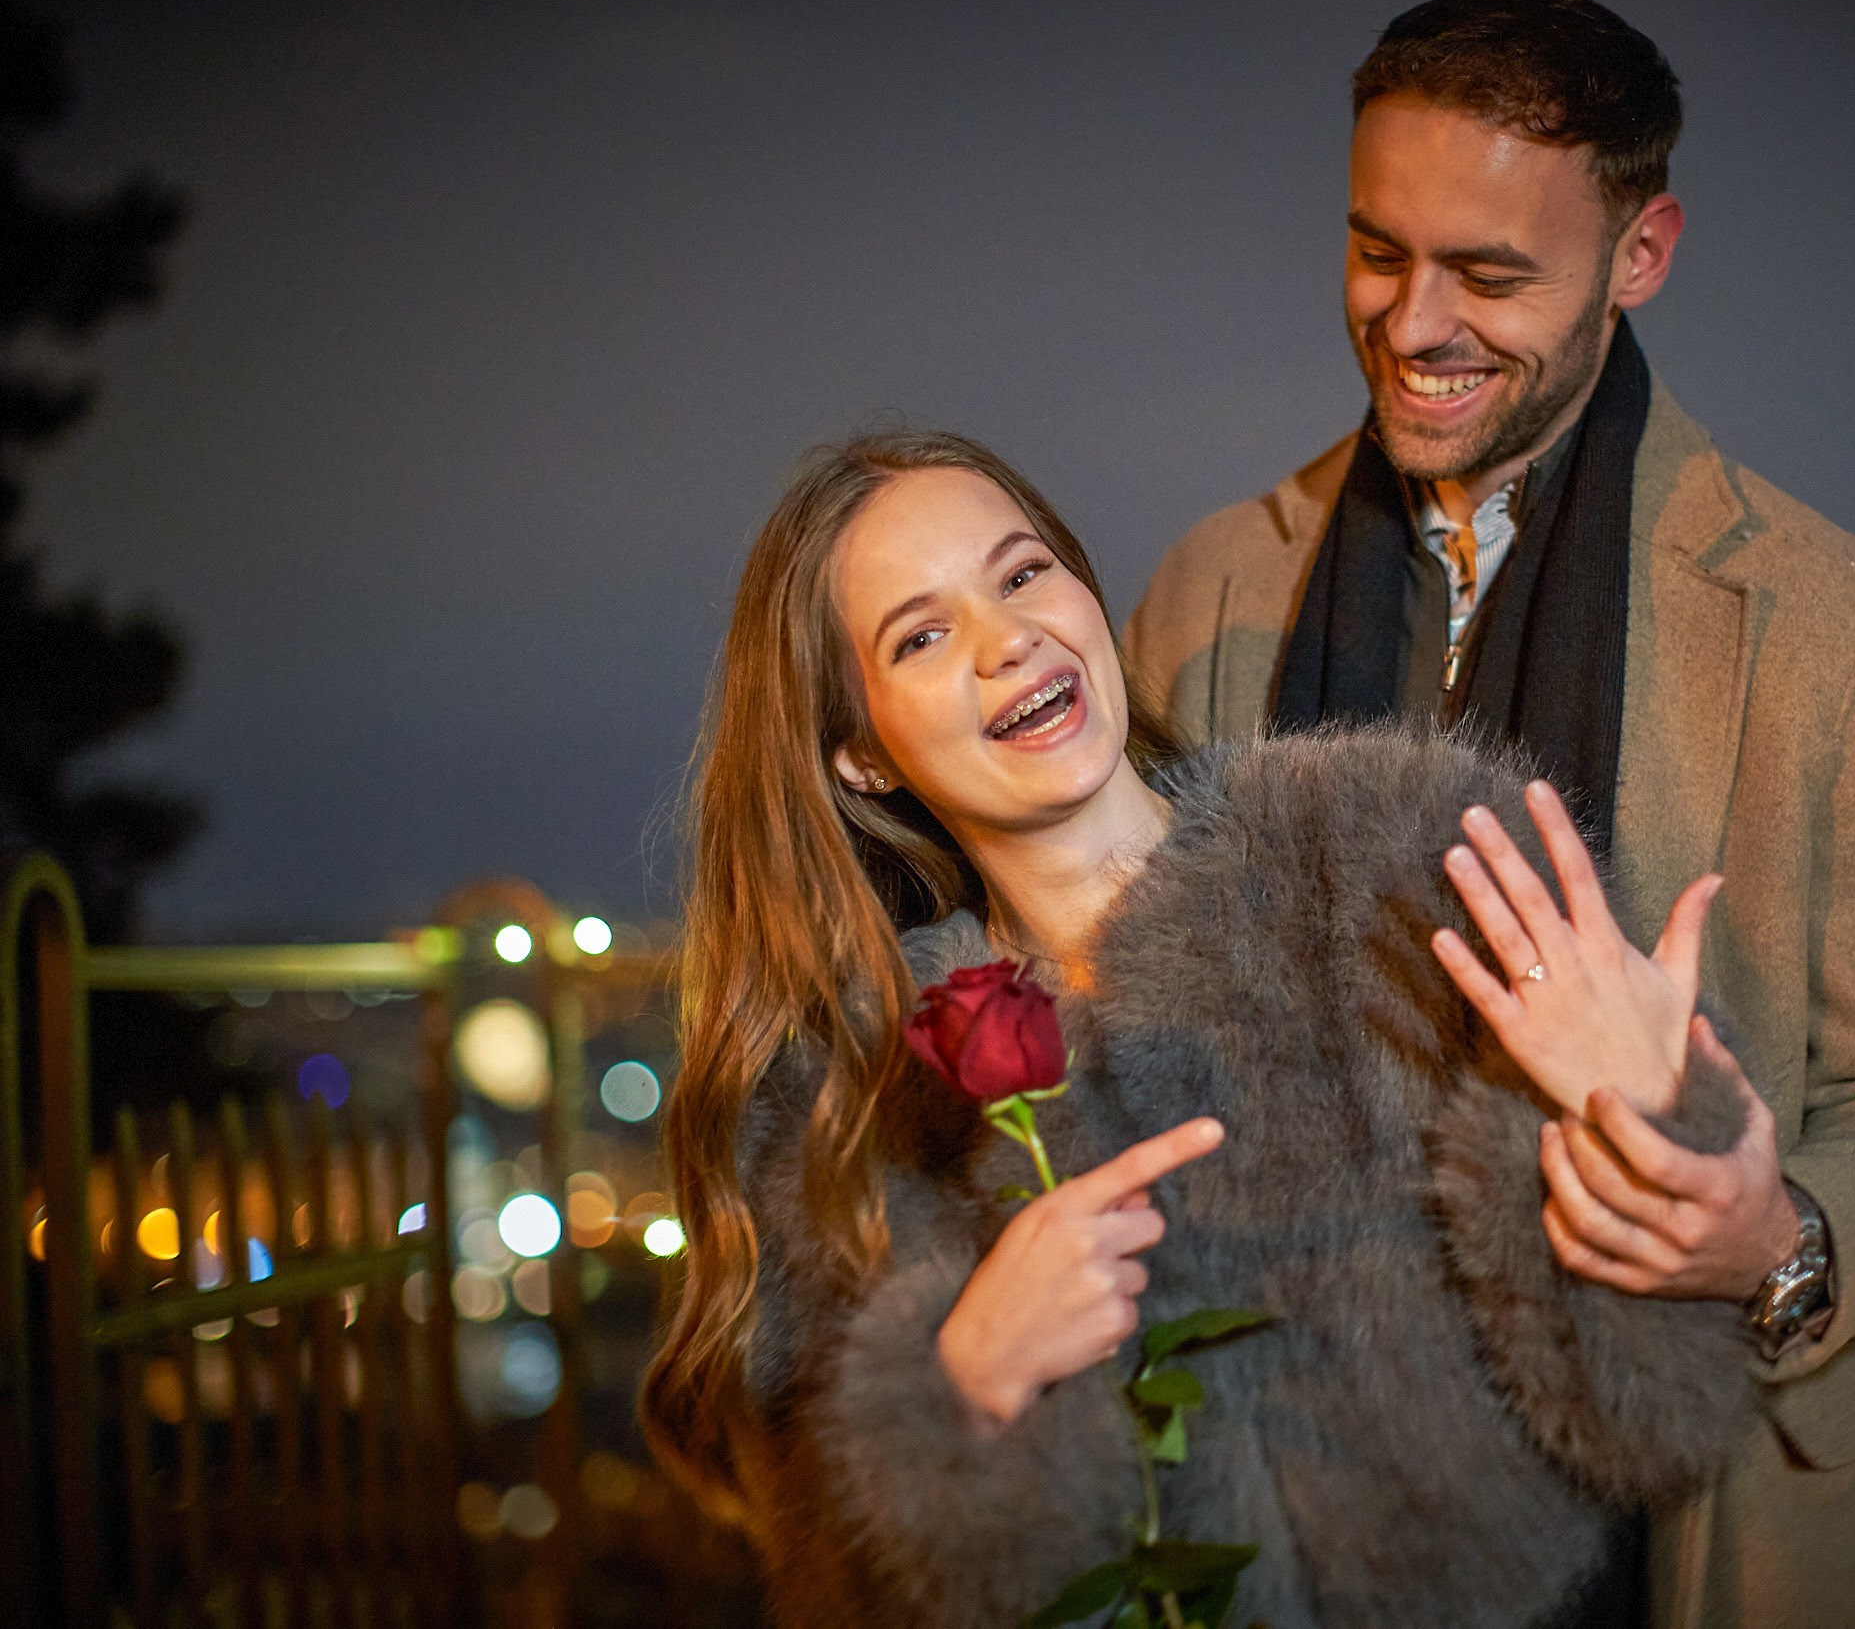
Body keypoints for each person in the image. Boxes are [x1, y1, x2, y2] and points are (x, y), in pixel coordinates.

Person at [1123, 0, 1855, 1623]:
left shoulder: (1835, 625)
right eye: (1377, 248)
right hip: (1281, 1503)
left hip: (1684, 1524)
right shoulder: (1208, 591)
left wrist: (1775, 1237)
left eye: (1492, 272)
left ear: (1643, 253)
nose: (1411, 319)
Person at [641, 428, 1759, 1627]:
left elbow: (1650, 1421)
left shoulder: (1405, 864)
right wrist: (963, 1394)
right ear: (859, 753)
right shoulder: (847, 1108)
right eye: (921, 635)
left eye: (1022, 574)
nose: (1006, 638)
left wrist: (1643, 1131)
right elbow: (839, 1596)